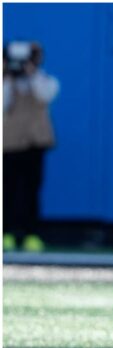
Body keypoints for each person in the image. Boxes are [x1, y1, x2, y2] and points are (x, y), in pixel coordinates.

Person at [3, 41, 60, 252]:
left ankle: (31, 234)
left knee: (31, 190)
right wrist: (7, 75)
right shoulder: (5, 81)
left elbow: (45, 95)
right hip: (9, 143)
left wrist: (31, 72)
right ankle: (5, 233)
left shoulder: (44, 80)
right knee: (6, 191)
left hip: (35, 143)